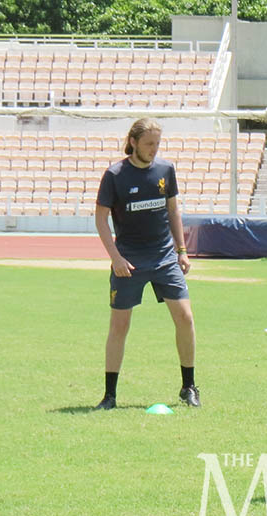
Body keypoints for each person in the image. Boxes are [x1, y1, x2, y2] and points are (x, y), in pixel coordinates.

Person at [94, 118, 200, 410]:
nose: (154, 149)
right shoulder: (115, 175)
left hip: (165, 256)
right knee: (120, 325)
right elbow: (101, 219)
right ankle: (110, 395)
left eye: (157, 144)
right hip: (129, 260)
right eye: (148, 143)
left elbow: (172, 210)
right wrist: (115, 257)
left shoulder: (166, 170)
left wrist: (181, 250)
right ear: (134, 142)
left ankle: (189, 386)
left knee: (185, 318)